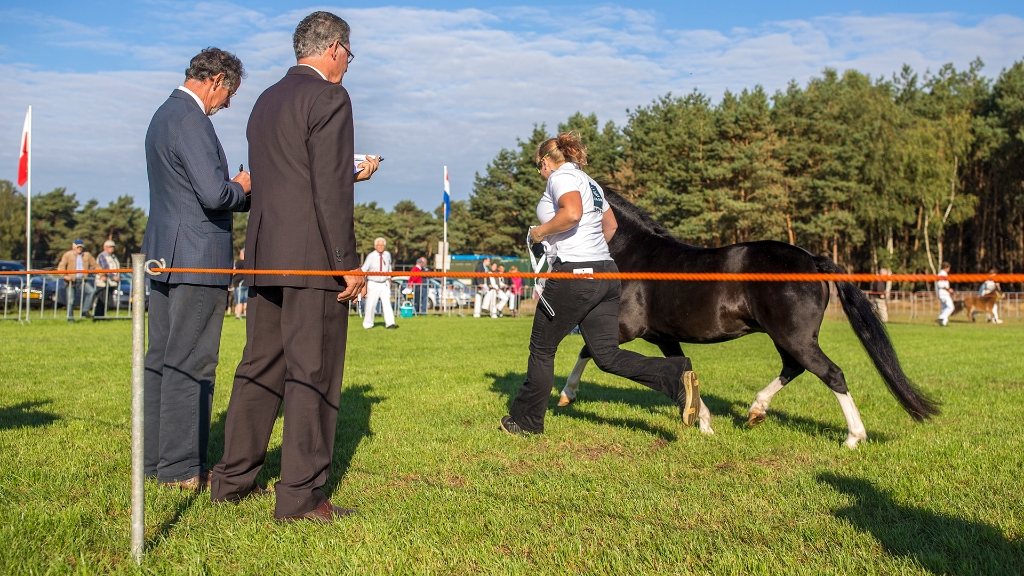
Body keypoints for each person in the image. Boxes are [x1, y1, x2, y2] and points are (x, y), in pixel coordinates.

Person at [212, 11, 378, 523]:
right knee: (314, 373)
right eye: (349, 54)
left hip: (265, 255)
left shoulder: (265, 100)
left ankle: (232, 480)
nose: (349, 64)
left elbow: (284, 177)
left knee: (258, 367)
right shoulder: (330, 97)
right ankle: (302, 497)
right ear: (334, 49)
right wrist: (347, 264)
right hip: (311, 262)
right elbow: (328, 190)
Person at [499, 132, 701, 436]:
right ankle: (674, 373)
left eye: (537, 168)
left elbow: (571, 214)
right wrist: (591, 255)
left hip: (575, 275)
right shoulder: (591, 183)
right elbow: (611, 226)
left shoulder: (560, 177)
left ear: (545, 162)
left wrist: (540, 233)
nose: (539, 175)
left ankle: (526, 421)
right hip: (606, 273)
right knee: (607, 355)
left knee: (542, 347)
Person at [142, 47, 251, 490]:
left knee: (162, 360)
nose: (228, 104)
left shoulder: (162, 115)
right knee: (193, 362)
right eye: (230, 94)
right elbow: (214, 195)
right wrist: (243, 188)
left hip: (165, 256)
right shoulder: (192, 120)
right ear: (217, 80)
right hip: (198, 258)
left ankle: (155, 462)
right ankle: (183, 468)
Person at [361, 237, 398, 329]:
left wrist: (389, 278)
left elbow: (388, 266)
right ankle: (368, 324)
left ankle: (390, 323)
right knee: (371, 303)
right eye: (379, 245)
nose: (381, 247)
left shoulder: (387, 255)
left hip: (384, 283)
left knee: (387, 303)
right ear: (375, 246)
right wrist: (362, 282)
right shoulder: (371, 256)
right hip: (373, 283)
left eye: (382, 245)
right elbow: (364, 269)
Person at [57, 239, 98, 321]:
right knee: (71, 301)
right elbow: (61, 267)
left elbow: (96, 265)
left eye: (81, 247)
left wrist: (103, 274)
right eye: (78, 247)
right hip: (71, 281)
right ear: (73, 247)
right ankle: (70, 319)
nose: (79, 248)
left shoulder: (87, 255)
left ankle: (85, 311)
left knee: (91, 291)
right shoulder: (67, 255)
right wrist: (65, 276)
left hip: (82, 280)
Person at [94, 240, 120, 318]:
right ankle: (98, 317)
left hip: (111, 283)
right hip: (103, 282)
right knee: (101, 301)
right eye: (110, 247)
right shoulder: (102, 256)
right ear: (105, 247)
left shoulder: (114, 256)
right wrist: (113, 276)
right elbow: (105, 268)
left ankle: (102, 317)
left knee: (106, 301)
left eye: (113, 247)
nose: (111, 248)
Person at [936, 261, 954, 327]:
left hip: (943, 293)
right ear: (947, 268)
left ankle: (943, 323)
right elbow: (940, 284)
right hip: (944, 293)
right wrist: (948, 289)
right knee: (951, 307)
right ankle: (941, 318)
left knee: (945, 308)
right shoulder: (942, 274)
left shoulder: (942, 273)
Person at [232, 248, 247, 320]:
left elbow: (234, 272)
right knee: (245, 299)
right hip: (246, 283)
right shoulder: (248, 262)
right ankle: (245, 313)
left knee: (239, 300)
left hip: (239, 284)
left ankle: (238, 315)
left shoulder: (239, 262)